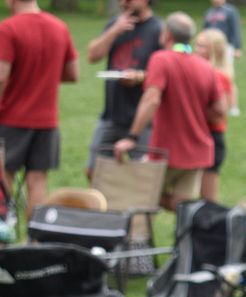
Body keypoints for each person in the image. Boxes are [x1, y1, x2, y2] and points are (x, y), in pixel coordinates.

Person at [114, 12, 224, 211]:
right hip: (198, 151)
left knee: (140, 199)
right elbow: (220, 110)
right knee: (183, 209)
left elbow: (151, 98)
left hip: (165, 152)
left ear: (166, 35)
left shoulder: (161, 59)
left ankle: (138, 242)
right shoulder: (205, 66)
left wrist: (132, 136)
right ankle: (186, 241)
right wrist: (193, 110)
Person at [0, 0, 79, 213]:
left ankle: (3, 237)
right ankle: (34, 241)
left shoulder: (8, 28)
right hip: (47, 121)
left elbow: (1, 75)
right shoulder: (59, 26)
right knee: (37, 180)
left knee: (3, 178)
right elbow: (73, 74)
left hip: (11, 118)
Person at [84, 0, 162, 178]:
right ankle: (107, 204)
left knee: (143, 177)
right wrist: (114, 30)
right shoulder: (115, 24)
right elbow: (92, 56)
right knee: (94, 171)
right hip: (111, 115)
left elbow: (171, 71)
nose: (123, 3)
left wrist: (140, 77)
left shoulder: (158, 29)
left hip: (143, 120)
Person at [194, 28, 232, 203]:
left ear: (214, 51)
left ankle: (211, 229)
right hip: (198, 138)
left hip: (211, 140)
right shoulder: (201, 72)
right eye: (196, 44)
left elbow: (218, 115)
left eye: (201, 46)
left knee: (208, 201)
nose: (195, 49)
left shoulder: (219, 77)